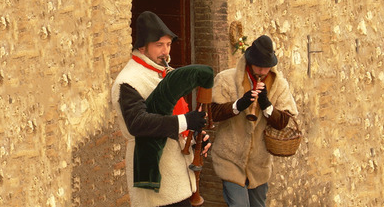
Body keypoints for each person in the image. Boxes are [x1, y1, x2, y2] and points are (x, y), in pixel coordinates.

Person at [111, 11, 212, 207]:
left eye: (168, 44)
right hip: (154, 179)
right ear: (142, 47)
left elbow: (176, 117)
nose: (166, 51)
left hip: (179, 176)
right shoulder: (129, 81)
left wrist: (195, 140)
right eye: (159, 45)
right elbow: (137, 124)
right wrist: (186, 121)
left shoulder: (164, 72)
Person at [210, 35, 298, 206]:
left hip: (259, 163)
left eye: (267, 68)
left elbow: (283, 122)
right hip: (230, 158)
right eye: (259, 67)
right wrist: (239, 104)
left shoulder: (280, 85)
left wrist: (267, 105)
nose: (263, 72)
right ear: (250, 62)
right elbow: (214, 112)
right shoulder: (226, 79)